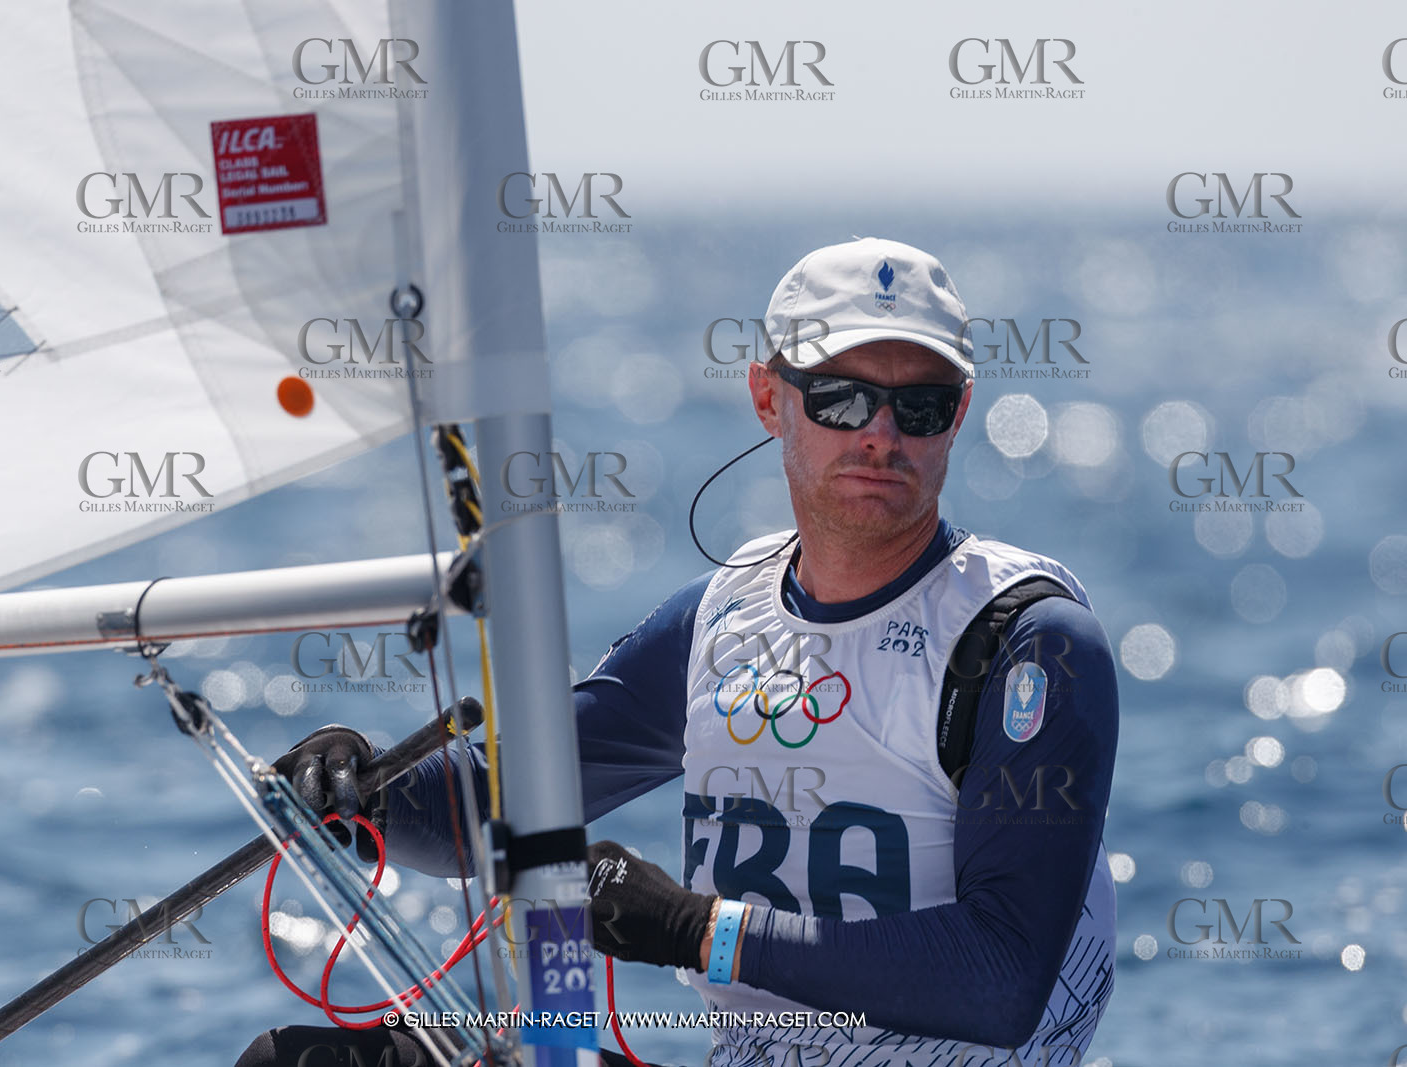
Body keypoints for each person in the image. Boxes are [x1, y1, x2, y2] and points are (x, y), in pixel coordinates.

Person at [238, 237, 1119, 1067]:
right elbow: (498, 805)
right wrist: (369, 788)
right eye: (841, 397)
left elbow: (1003, 980)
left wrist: (694, 927)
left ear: (958, 415)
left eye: (918, 405)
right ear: (768, 397)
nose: (881, 434)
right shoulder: (719, 621)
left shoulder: (1029, 642)